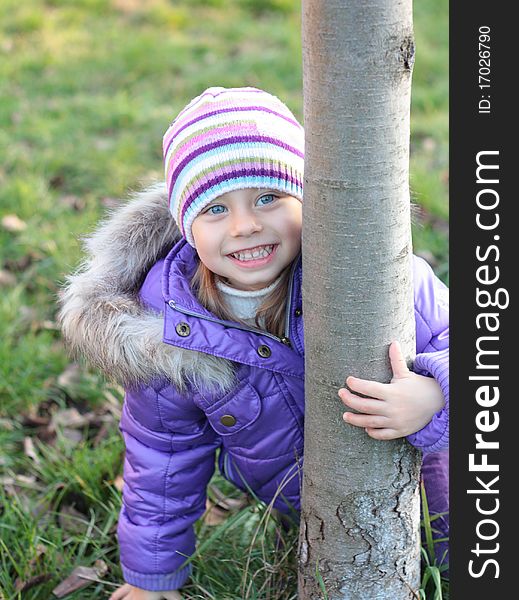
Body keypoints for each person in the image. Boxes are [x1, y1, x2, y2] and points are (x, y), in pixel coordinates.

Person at [58, 86, 449, 599]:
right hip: (320, 516)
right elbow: (163, 461)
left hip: (447, 485)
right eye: (215, 209)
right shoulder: (167, 332)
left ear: (306, 200)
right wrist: (151, 579)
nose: (245, 226)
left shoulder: (377, 279)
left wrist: (438, 393)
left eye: (268, 198)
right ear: (185, 225)